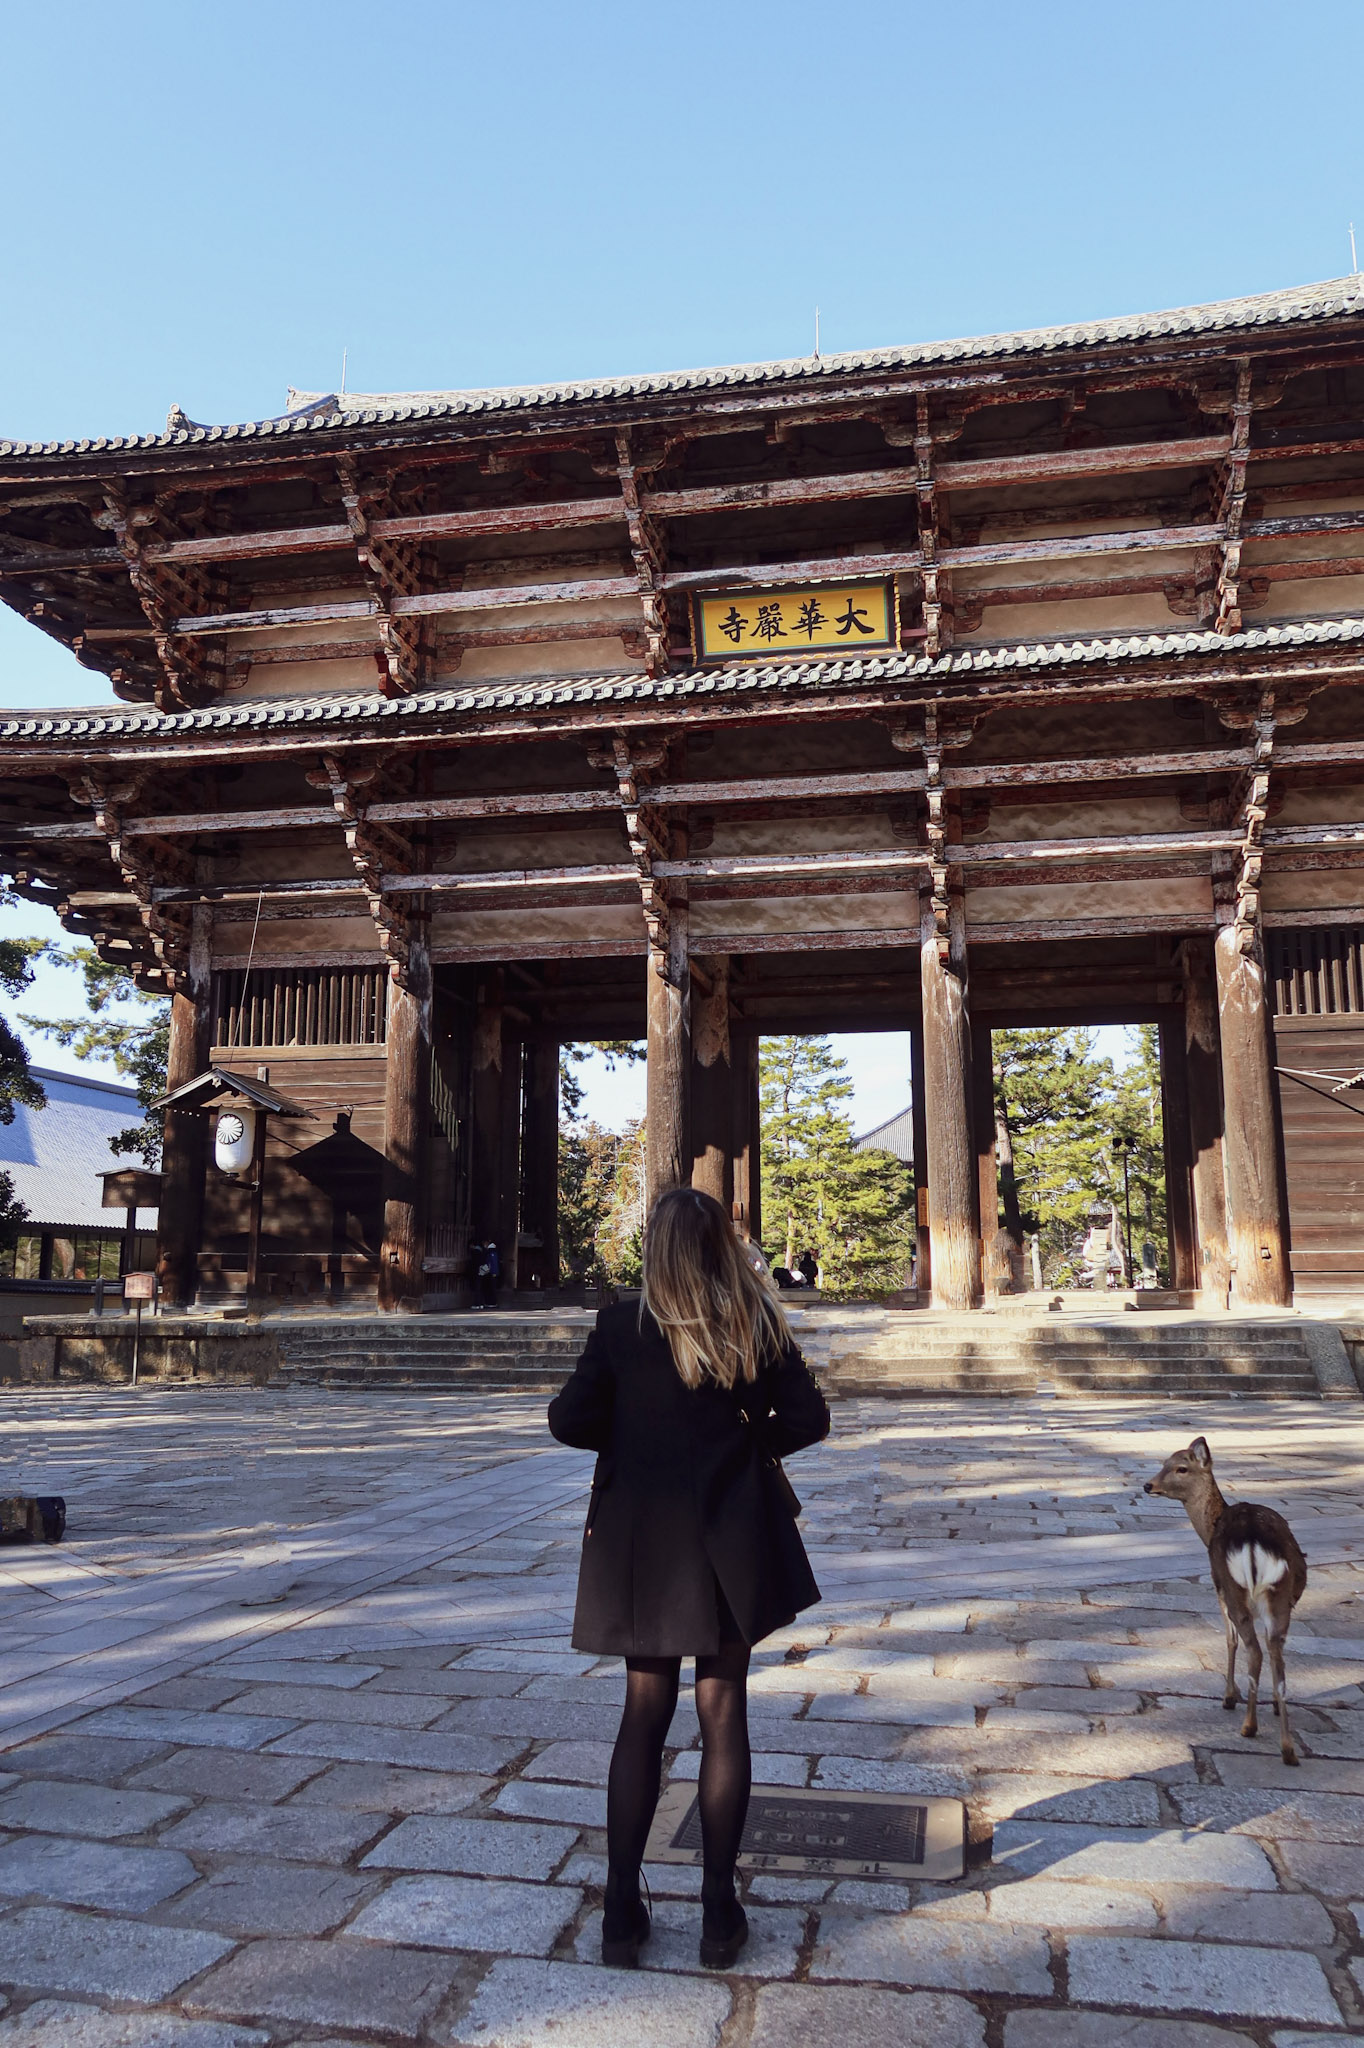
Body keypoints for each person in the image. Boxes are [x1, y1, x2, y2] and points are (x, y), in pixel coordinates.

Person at [548, 1186, 830, 1972]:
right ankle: (716, 1911)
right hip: (731, 1535)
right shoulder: (756, 1322)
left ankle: (620, 1912)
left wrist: (640, 1439)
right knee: (723, 1711)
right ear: (719, 1248)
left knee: (643, 1714)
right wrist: (744, 1448)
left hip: (644, 1544)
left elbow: (566, 1421)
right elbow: (809, 1419)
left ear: (656, 1251)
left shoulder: (619, 1327)